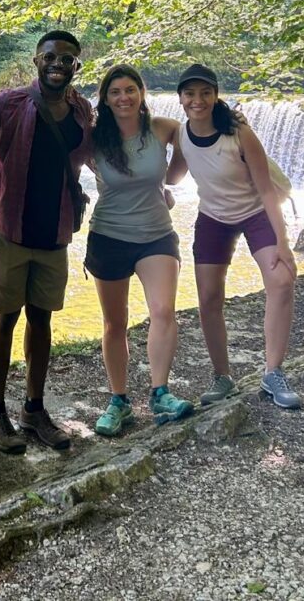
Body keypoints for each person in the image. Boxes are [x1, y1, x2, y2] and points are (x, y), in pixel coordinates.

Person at [0, 31, 94, 454]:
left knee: (41, 320)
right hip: (11, 231)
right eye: (50, 56)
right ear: (36, 60)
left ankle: (33, 408)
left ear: (76, 66)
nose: (57, 64)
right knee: (5, 317)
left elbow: (96, 155)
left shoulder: (82, 110)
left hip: (55, 233)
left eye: (66, 59)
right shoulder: (10, 103)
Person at [170, 62, 302, 409]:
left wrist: (284, 244)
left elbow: (267, 190)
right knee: (209, 297)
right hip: (213, 219)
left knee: (282, 281)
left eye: (205, 93)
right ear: (181, 98)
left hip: (256, 213)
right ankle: (222, 377)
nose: (197, 100)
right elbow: (172, 177)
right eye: (190, 94)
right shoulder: (181, 135)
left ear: (215, 96)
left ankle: (273, 372)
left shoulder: (239, 133)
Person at [85, 64, 193, 436]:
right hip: (109, 235)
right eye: (115, 92)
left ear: (141, 92)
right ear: (105, 99)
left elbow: (189, 138)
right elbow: (72, 164)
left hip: (156, 235)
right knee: (115, 324)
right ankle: (119, 401)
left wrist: (170, 180)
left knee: (163, 310)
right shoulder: (95, 137)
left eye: (130, 90)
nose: (124, 98)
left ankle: (161, 393)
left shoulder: (162, 128)